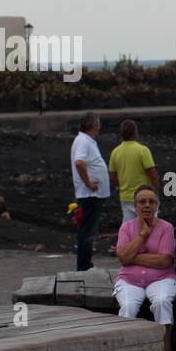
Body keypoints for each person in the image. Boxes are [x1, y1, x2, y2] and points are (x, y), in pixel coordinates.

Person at [114, 184, 176, 351]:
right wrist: (142, 236)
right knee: (127, 307)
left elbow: (165, 259)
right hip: (129, 281)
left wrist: (132, 257)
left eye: (152, 202)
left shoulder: (166, 228)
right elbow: (122, 257)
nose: (147, 205)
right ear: (135, 206)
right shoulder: (127, 228)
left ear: (157, 206)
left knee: (161, 301)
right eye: (142, 202)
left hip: (162, 278)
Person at [71, 112, 110, 271]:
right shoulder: (83, 141)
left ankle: (86, 263)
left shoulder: (86, 141)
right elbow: (79, 162)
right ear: (95, 126)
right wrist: (89, 183)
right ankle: (84, 266)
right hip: (90, 194)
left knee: (88, 229)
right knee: (87, 231)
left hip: (93, 194)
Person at [108, 119, 160, 225]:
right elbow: (152, 174)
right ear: (135, 132)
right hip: (145, 197)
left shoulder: (115, 152)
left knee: (129, 230)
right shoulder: (142, 150)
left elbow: (112, 177)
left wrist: (121, 185)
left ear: (122, 134)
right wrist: (155, 191)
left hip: (126, 196)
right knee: (150, 227)